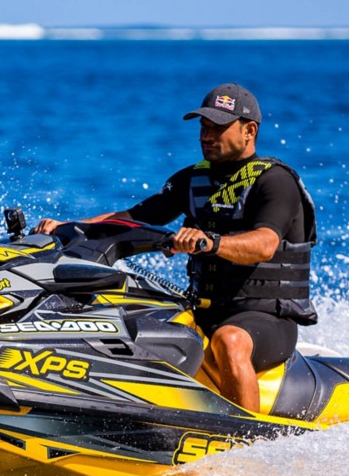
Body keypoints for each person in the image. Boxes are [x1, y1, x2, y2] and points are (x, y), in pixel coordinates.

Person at [35, 83, 317, 413]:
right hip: (203, 311)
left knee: (230, 340)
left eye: (218, 128)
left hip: (266, 318)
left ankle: (248, 438)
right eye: (203, 127)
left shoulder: (275, 180)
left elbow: (265, 244)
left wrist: (210, 242)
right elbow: (130, 219)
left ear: (249, 131)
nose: (206, 136)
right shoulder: (191, 180)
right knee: (123, 319)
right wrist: (71, 227)